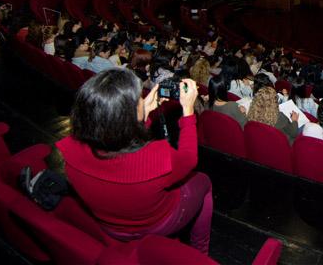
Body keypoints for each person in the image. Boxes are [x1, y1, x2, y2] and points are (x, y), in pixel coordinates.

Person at [55, 69, 212, 254]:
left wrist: (142, 116)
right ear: (126, 114)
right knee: (204, 181)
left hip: (111, 226)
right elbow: (188, 160)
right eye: (138, 99)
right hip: (158, 223)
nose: (142, 100)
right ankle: (200, 251)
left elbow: (116, 142)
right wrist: (188, 113)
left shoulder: (69, 150)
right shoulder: (156, 157)